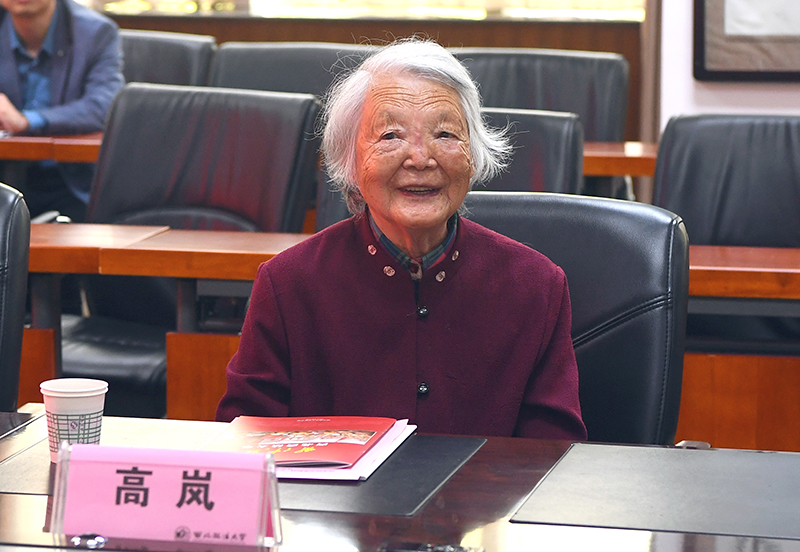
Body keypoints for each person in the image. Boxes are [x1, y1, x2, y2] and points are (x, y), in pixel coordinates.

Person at [216, 38, 587, 440]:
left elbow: (554, 454)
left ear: (474, 153)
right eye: (391, 135)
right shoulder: (288, 283)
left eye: (445, 134)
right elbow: (244, 442)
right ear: (350, 159)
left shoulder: (536, 286)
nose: (421, 159)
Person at [0, 0, 124, 222]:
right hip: (5, 176)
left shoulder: (95, 32)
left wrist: (26, 121)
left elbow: (104, 105)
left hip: (70, 182)